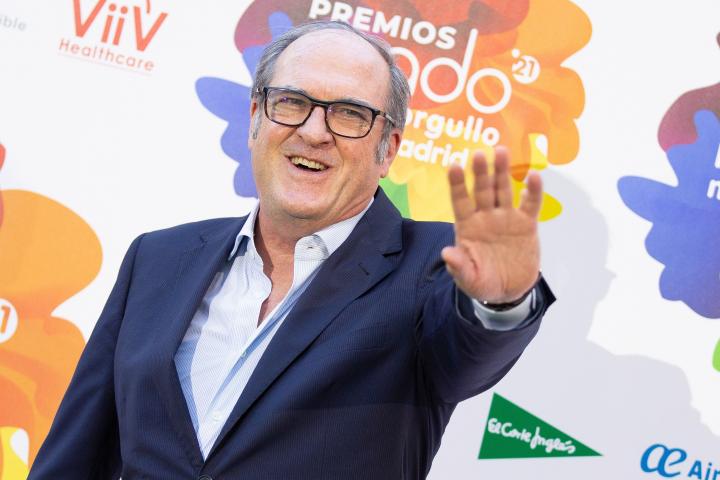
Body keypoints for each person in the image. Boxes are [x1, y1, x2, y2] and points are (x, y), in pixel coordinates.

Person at [29, 20, 554, 480]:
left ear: (387, 150)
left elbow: (468, 360)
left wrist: (498, 303)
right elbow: (75, 457)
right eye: (292, 103)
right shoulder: (157, 258)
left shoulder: (433, 265)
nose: (314, 131)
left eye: (349, 113)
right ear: (256, 117)